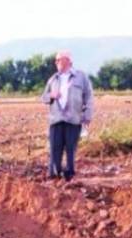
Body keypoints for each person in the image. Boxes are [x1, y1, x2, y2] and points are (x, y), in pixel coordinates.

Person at [40, 50, 94, 181]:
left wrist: (87, 116)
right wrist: (51, 95)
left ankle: (70, 176)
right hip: (56, 119)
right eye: (56, 60)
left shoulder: (81, 77)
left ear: (68, 61)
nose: (56, 62)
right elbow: (43, 97)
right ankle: (54, 176)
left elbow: (89, 97)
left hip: (73, 119)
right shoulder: (53, 79)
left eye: (59, 59)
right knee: (55, 150)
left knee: (71, 150)